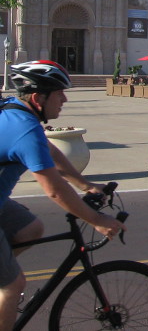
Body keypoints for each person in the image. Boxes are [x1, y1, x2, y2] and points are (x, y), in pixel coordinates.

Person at [0, 60, 125, 330]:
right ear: (38, 98)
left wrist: (85, 185)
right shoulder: (24, 129)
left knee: (30, 228)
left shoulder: (17, 114)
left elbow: (51, 153)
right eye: (59, 93)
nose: (65, 99)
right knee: (12, 286)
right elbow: (54, 190)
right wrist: (97, 220)